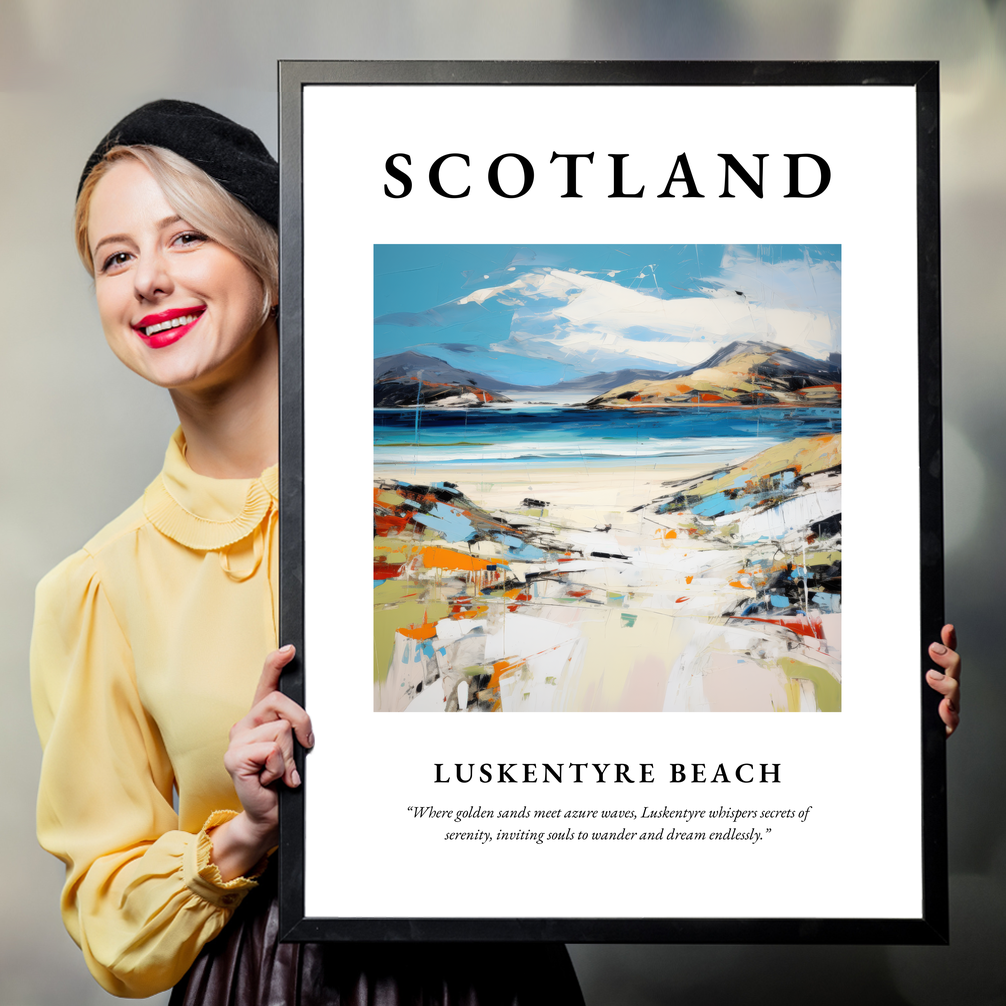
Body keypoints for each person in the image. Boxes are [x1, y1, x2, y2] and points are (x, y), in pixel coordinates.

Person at [30, 100, 585, 1004]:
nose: (148, 281)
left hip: (492, 972)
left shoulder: (446, 499)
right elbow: (110, 924)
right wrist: (245, 832)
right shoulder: (97, 587)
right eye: (116, 257)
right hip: (262, 982)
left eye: (185, 239)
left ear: (273, 264)